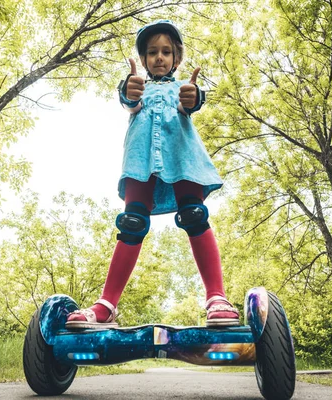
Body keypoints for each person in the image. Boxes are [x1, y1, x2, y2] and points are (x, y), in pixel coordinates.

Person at [66, 20, 239, 329]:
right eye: (152, 52)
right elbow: (129, 102)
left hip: (182, 158)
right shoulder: (137, 87)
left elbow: (191, 103)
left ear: (177, 58)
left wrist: (193, 98)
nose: (159, 57)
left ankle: (217, 297)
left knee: (195, 215)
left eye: (166, 52)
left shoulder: (183, 88)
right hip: (140, 161)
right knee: (132, 223)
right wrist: (129, 91)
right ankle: (106, 305)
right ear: (144, 59)